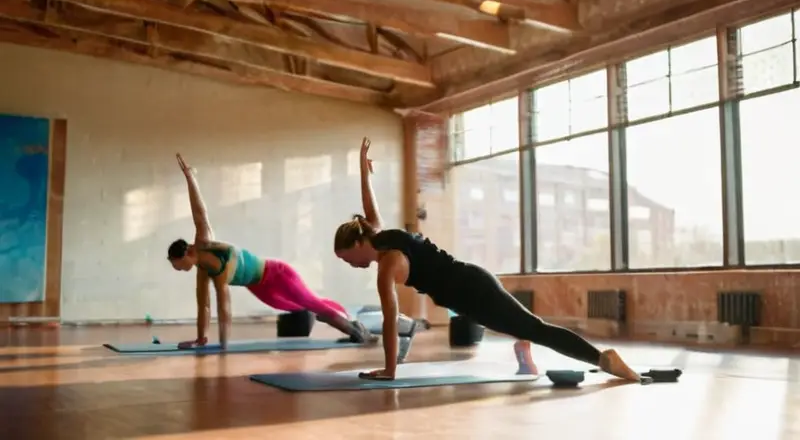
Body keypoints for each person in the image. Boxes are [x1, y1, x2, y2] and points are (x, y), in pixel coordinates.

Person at [333, 137, 643, 382]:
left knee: (536, 328)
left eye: (348, 258)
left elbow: (390, 320)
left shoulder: (388, 263)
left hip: (473, 291)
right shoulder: (376, 233)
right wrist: (364, 170)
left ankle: (604, 359)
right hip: (468, 291)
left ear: (359, 242)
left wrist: (390, 370)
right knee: (518, 325)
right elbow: (369, 205)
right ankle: (524, 349)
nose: (350, 265)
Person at [167, 153, 375, 349]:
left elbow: (199, 213)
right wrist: (201, 339)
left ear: (186, 254)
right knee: (302, 306)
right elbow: (204, 306)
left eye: (176, 265)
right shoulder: (202, 272)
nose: (176, 269)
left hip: (276, 274)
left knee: (312, 303)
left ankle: (357, 330)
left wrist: (190, 177)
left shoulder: (204, 244)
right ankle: (346, 324)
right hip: (259, 286)